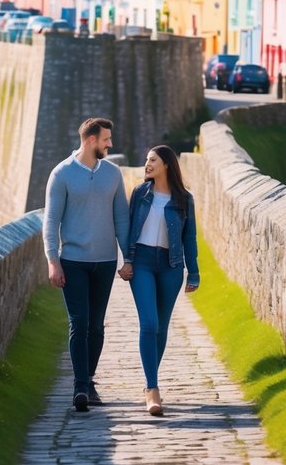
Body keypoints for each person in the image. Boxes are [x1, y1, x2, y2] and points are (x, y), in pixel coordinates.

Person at [43, 117, 130, 412]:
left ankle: (88, 380)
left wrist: (126, 257)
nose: (110, 144)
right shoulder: (62, 174)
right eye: (106, 139)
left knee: (96, 326)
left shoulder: (113, 174)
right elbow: (51, 221)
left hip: (105, 261)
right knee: (79, 323)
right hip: (73, 262)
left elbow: (122, 218)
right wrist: (53, 261)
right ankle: (81, 386)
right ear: (91, 140)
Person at [120, 145, 199, 416]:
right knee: (149, 322)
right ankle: (152, 389)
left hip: (171, 266)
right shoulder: (140, 194)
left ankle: (149, 381)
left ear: (166, 164)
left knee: (162, 327)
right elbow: (129, 228)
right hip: (141, 262)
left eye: (152, 160)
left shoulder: (184, 199)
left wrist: (194, 272)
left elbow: (189, 238)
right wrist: (127, 260)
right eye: (145, 160)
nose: (147, 164)